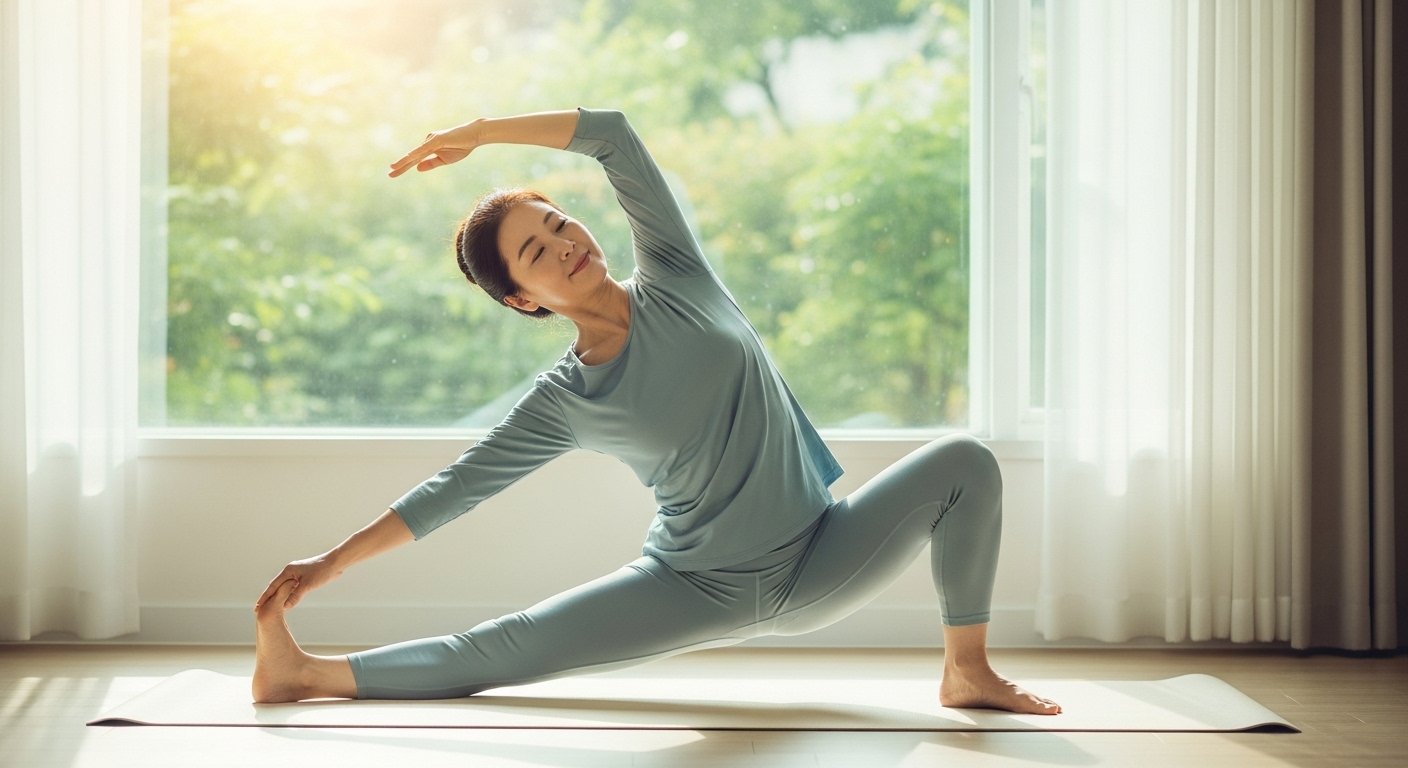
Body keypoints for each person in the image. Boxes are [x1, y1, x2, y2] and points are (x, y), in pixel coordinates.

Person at [250, 107, 1061, 715]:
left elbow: (615, 136)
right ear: (525, 301)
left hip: (815, 556)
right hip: (689, 581)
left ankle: (967, 670)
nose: (568, 244)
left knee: (965, 462)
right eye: (538, 252)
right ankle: (304, 675)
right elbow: (453, 491)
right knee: (508, 648)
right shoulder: (563, 400)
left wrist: (484, 132)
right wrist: (331, 563)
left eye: (561, 223)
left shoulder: (676, 274)